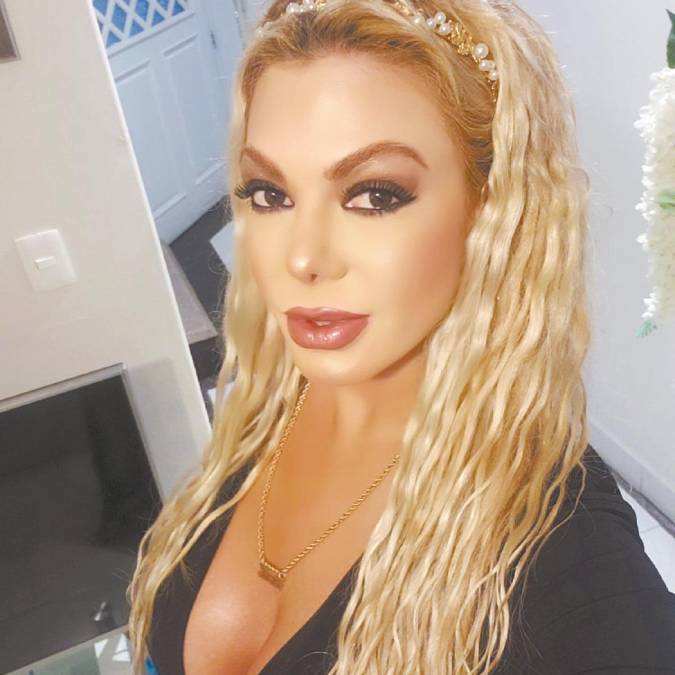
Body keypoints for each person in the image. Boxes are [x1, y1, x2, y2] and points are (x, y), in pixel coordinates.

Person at [126, 0, 675, 673]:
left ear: (490, 209)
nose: (303, 258)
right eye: (269, 193)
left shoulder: (570, 559)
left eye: (374, 195)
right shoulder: (268, 411)